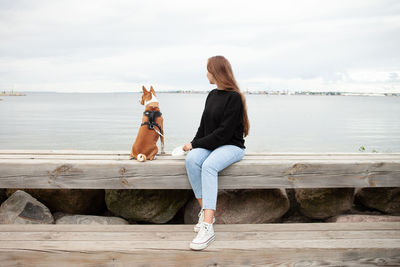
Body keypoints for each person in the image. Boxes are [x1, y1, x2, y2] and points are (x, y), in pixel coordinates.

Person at [183, 55, 250, 250]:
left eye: (208, 70)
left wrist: (195, 144)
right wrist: (193, 145)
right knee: (192, 159)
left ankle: (208, 225)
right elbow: (203, 127)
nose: (206, 74)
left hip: (232, 146)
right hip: (215, 144)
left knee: (209, 165)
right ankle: (205, 211)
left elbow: (223, 134)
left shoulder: (235, 98)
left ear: (216, 72)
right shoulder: (212, 95)